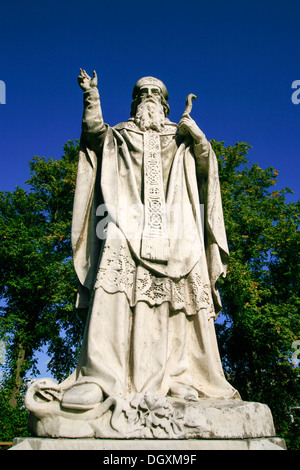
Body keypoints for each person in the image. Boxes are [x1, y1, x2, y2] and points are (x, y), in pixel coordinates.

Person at [61, 71, 239, 409]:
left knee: (185, 290)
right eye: (142, 92)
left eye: (154, 92)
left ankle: (182, 376)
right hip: (126, 220)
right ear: (134, 102)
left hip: (177, 226)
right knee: (111, 274)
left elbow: (206, 173)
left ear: (165, 102)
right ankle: (101, 377)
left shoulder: (180, 135)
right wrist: (92, 96)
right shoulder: (122, 134)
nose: (148, 96)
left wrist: (198, 137)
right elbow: (95, 135)